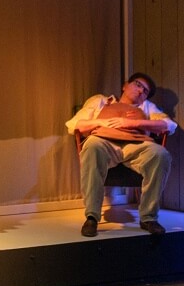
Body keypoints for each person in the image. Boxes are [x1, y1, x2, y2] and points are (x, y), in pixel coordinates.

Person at [66, 72, 176, 237]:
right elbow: (74, 125)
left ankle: (148, 218)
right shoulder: (100, 101)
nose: (141, 91)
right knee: (92, 145)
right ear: (125, 85)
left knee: (161, 154)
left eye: (145, 91)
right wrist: (101, 122)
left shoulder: (147, 107)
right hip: (104, 142)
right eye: (138, 85)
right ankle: (92, 217)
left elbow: (169, 125)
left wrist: (132, 122)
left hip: (136, 145)